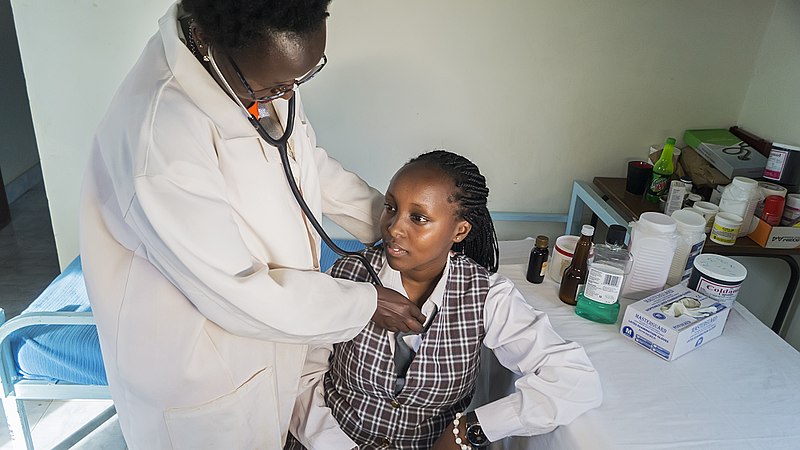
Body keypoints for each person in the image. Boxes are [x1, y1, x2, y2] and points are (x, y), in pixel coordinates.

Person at [79, 1, 424, 448]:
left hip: (267, 342)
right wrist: (363, 304)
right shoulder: (161, 137)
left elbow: (300, 160)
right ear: (206, 39)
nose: (287, 95)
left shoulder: (250, 72)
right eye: (276, 85)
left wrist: (390, 223)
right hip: (202, 371)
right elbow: (236, 290)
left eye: (303, 77)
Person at [286, 150, 603, 449]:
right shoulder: (348, 274)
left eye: (419, 218)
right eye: (391, 208)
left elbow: (575, 379)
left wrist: (470, 429)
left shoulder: (486, 296)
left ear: (460, 230)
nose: (394, 228)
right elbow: (303, 376)